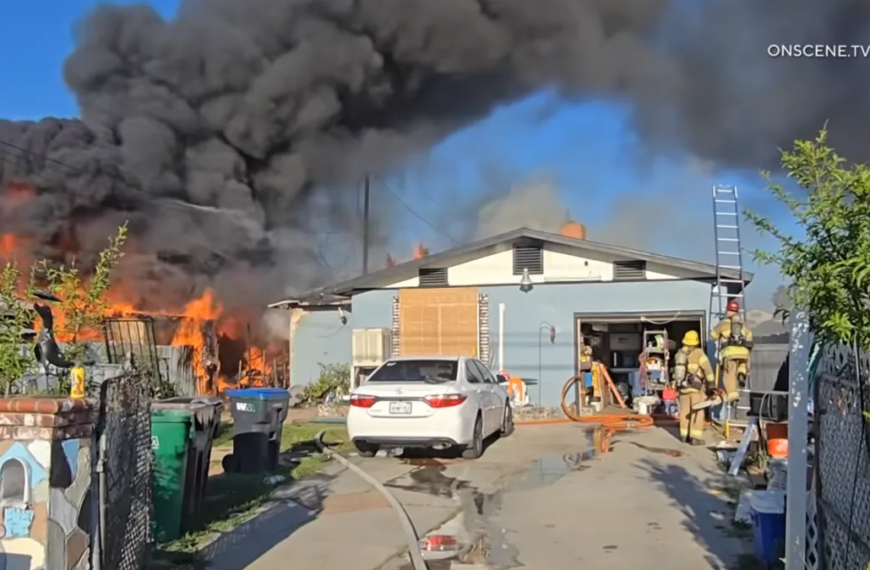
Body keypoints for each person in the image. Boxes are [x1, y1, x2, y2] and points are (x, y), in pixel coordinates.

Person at [673, 330, 715, 446]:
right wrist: (711, 383)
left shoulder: (679, 354)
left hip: (683, 389)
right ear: (696, 342)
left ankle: (683, 435)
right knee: (697, 412)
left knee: (684, 412)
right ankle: (695, 438)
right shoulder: (699, 353)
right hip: (695, 389)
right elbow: (707, 369)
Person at [710, 300, 754, 402]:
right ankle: (741, 373)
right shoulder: (744, 325)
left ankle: (733, 396)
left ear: (728, 311)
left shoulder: (723, 323)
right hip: (744, 353)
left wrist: (717, 332)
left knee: (728, 375)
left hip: (729, 354)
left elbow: (712, 337)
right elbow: (750, 339)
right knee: (741, 365)